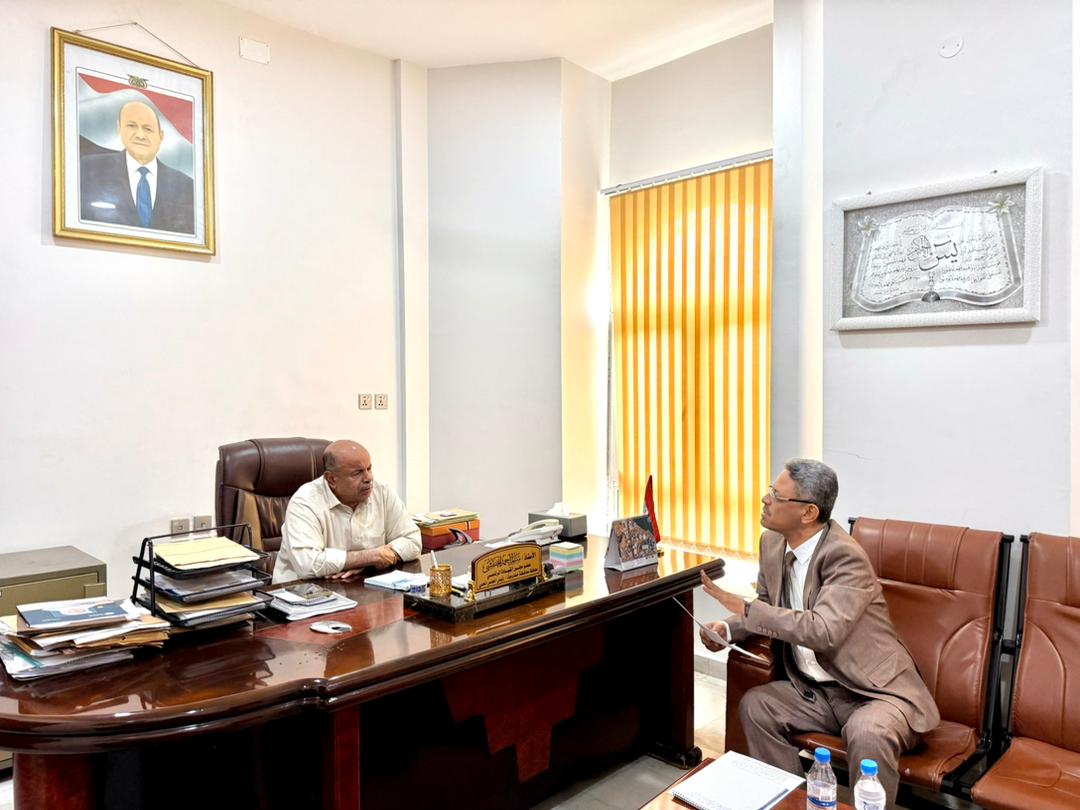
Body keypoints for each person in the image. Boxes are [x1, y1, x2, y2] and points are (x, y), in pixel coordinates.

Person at [699, 459, 938, 808]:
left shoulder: (845, 557)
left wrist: (746, 609)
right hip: (816, 692)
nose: (765, 499)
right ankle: (792, 803)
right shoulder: (772, 544)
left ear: (808, 512)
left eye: (776, 494)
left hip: (875, 693)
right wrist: (727, 628)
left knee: (867, 732)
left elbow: (823, 630)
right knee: (757, 707)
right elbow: (767, 604)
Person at [272, 440, 421, 583]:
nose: (368, 478)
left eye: (369, 468)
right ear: (331, 479)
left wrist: (378, 558)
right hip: (301, 591)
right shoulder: (304, 502)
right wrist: (369, 557)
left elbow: (413, 540)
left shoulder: (382, 492)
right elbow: (308, 564)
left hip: (360, 586)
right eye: (357, 473)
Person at [79, 100, 195, 234]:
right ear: (119, 128)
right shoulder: (90, 169)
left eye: (148, 129)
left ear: (161, 136)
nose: (140, 136)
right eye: (131, 126)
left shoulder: (185, 186)